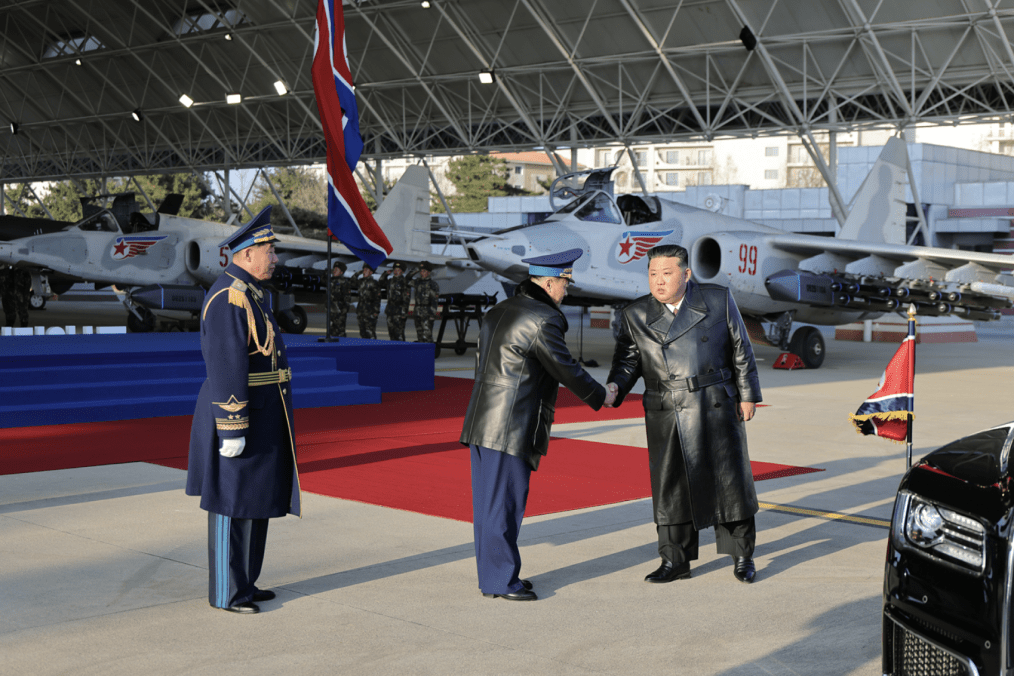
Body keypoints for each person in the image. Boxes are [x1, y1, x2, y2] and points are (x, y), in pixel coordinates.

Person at [460, 249, 615, 602]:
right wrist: (599, 394)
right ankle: (501, 581)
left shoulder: (498, 310)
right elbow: (564, 368)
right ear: (548, 282)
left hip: (482, 419)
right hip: (510, 424)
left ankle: (496, 575)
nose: (565, 291)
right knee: (505, 505)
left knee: (488, 504)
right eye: (563, 283)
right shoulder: (543, 317)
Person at [606, 244, 762, 585]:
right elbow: (628, 360)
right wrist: (615, 386)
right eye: (652, 274)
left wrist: (748, 396)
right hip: (667, 409)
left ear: (686, 274)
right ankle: (674, 560)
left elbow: (741, 348)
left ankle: (742, 556)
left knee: (729, 484)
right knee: (670, 488)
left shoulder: (717, 300)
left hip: (715, 402)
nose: (658, 282)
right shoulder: (635, 314)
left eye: (667, 273)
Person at [185, 207, 301, 614]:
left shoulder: (252, 293)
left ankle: (246, 583)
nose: (274, 257)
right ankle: (227, 592)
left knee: (255, 500)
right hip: (237, 413)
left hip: (263, 412)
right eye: (268, 249)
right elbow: (225, 362)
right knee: (232, 504)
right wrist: (231, 426)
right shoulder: (229, 297)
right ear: (246, 253)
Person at [410, 261, 440, 342]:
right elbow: (406, 281)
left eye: (424, 271)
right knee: (419, 335)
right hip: (417, 312)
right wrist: (414, 271)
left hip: (427, 313)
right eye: (421, 271)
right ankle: (421, 353)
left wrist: (432, 315)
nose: (422, 273)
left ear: (429, 272)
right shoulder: (417, 282)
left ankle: (429, 353)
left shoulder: (433, 284)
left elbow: (434, 302)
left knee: (427, 335)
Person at [380, 262, 411, 341]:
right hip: (390, 310)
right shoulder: (390, 281)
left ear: (403, 272)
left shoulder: (404, 282)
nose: (396, 271)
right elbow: (380, 283)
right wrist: (385, 274)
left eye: (398, 270)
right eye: (395, 269)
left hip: (399, 311)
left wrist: (404, 313)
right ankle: (394, 351)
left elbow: (406, 298)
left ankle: (401, 351)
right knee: (391, 333)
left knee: (399, 333)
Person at [355, 264, 381, 339]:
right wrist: (358, 272)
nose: (364, 271)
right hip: (361, 311)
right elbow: (352, 281)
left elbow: (377, 298)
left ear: (371, 272)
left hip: (370, 311)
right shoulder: (360, 281)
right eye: (364, 270)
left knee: (370, 333)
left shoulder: (374, 283)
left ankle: (373, 349)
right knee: (362, 333)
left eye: (366, 270)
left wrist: (375, 312)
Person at [328, 261, 351, 338]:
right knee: (332, 331)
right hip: (331, 310)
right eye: (334, 269)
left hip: (340, 310)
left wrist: (344, 310)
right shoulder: (331, 280)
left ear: (341, 272)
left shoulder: (344, 282)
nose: (334, 271)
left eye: (337, 269)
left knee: (340, 331)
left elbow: (347, 297)